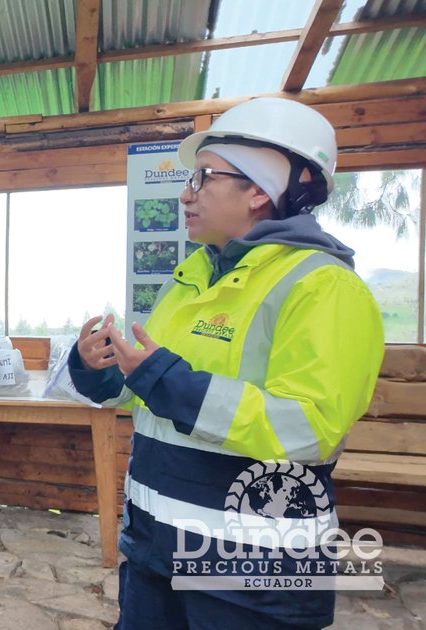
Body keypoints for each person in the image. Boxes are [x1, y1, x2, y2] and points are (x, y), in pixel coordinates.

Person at [70, 97, 384, 629]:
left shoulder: (324, 287)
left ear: (260, 190)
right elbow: (144, 389)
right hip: (154, 553)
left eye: (202, 178)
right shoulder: (192, 276)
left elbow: (309, 429)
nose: (185, 194)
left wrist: (165, 380)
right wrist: (96, 366)